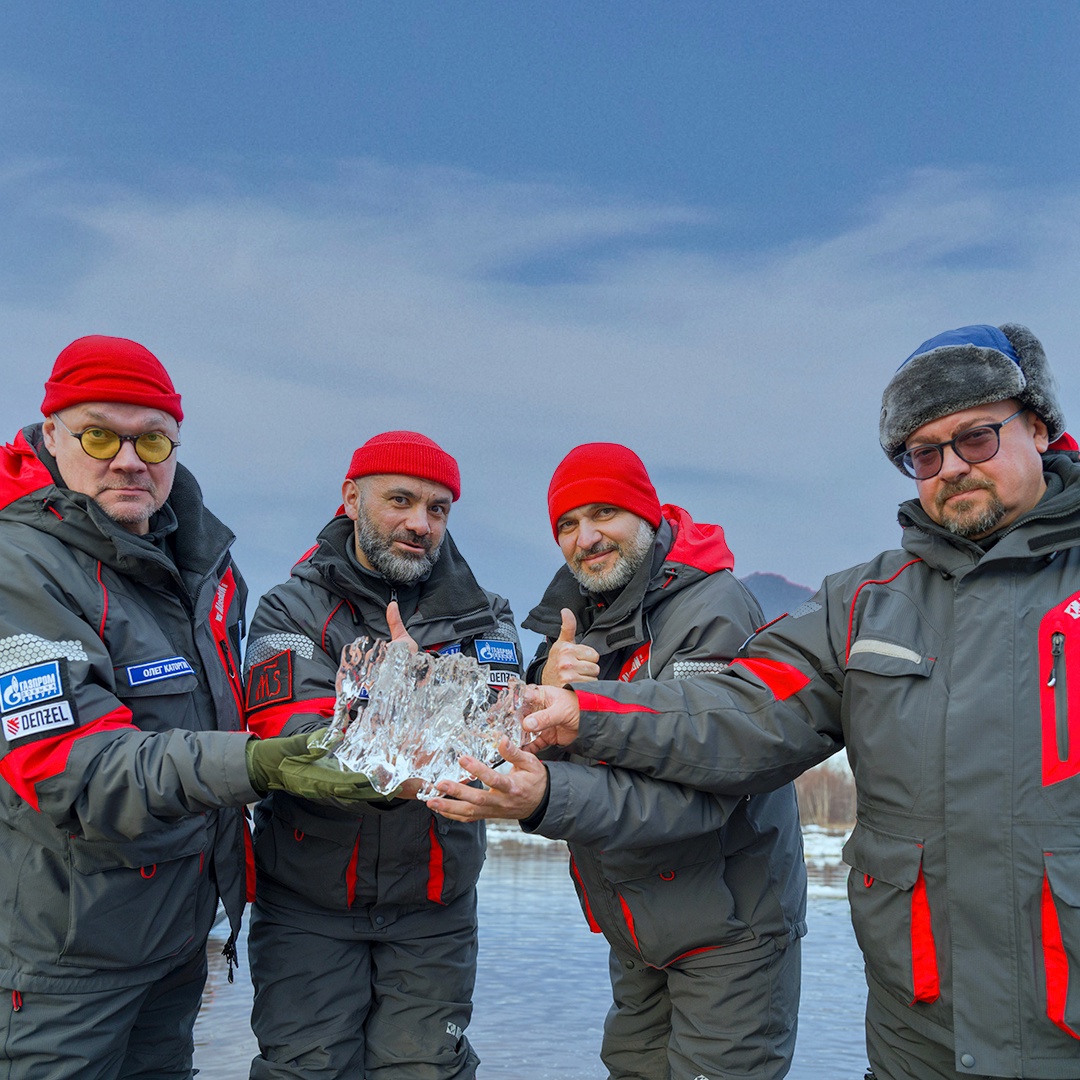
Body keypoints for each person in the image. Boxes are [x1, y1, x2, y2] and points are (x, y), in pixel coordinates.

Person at [520, 326, 1080, 1080]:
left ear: (1038, 427)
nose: (951, 467)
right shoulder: (862, 605)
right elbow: (742, 712)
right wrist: (588, 714)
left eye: (976, 438)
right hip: (919, 1033)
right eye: (924, 453)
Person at [0, 335, 379, 1080]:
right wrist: (259, 763)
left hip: (175, 943)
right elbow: (70, 768)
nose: (129, 459)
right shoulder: (22, 567)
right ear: (52, 435)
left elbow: (230, 710)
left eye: (153, 438)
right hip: (64, 964)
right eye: (100, 435)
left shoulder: (203, 564)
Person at [429, 443, 806, 1080]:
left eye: (605, 513)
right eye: (567, 525)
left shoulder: (713, 609)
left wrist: (546, 795)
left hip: (730, 930)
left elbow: (700, 792)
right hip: (636, 929)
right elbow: (530, 741)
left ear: (648, 514)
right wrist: (543, 692)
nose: (586, 538)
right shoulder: (575, 626)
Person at [243, 430, 522, 1080]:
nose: (419, 524)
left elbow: (496, 745)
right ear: (351, 499)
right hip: (307, 909)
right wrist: (419, 708)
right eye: (400, 500)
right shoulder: (289, 610)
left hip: (434, 911)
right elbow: (295, 744)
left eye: (438, 509)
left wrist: (396, 715)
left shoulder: (485, 618)